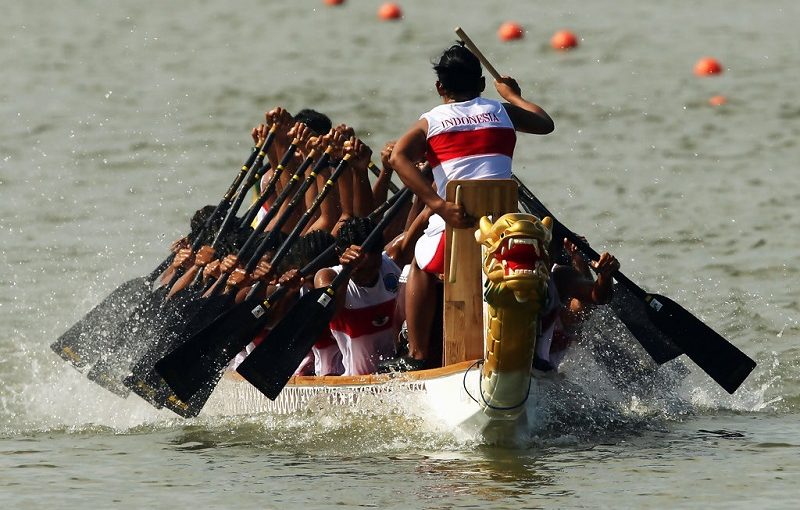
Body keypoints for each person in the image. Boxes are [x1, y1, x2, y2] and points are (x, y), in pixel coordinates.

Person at [386, 42, 554, 369]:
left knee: (418, 261)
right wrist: (512, 95)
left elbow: (398, 158)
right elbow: (545, 123)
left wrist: (438, 204)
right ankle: (531, 351)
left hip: (456, 227)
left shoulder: (431, 121)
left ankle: (417, 357)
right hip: (503, 236)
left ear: (439, 87)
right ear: (480, 84)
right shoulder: (501, 112)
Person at [313, 217, 402, 375]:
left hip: (398, 375)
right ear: (339, 255)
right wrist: (347, 272)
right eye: (359, 270)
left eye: (374, 267)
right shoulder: (327, 277)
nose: (367, 276)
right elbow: (329, 314)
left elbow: (424, 216)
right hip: (357, 384)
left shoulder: (392, 261)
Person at [535, 238, 620, 371]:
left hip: (543, 373)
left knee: (578, 314)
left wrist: (604, 276)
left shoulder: (559, 276)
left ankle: (579, 257)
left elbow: (597, 297)